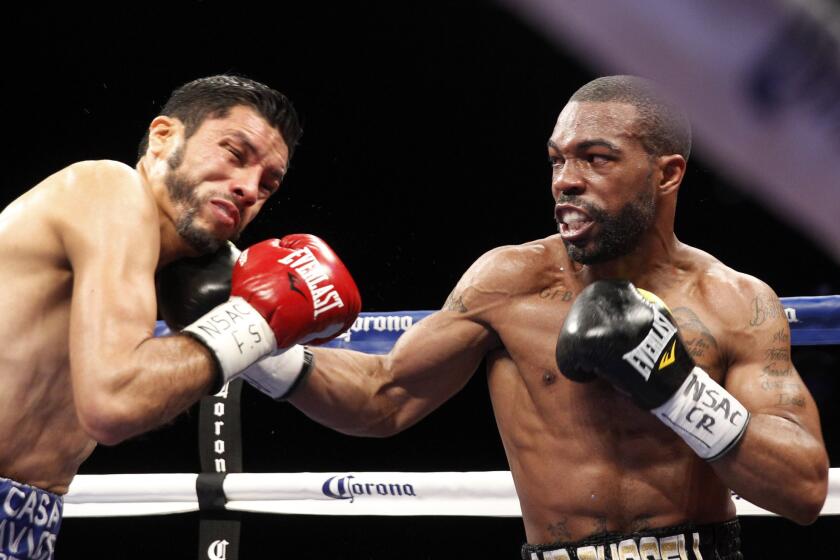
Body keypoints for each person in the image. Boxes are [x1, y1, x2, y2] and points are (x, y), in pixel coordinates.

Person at [251, 76, 829, 559]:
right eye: (558, 159)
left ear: (668, 174)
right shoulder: (510, 281)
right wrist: (257, 345)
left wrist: (677, 388)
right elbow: (384, 396)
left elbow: (802, 489)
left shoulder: (735, 302)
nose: (566, 180)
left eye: (596, 158)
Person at [0, 74, 360, 559]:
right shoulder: (107, 188)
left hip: (29, 523)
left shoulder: (193, 276)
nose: (249, 188)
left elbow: (376, 405)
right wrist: (253, 321)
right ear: (164, 136)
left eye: (269, 184)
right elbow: (114, 401)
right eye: (235, 154)